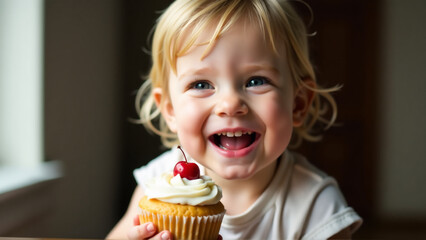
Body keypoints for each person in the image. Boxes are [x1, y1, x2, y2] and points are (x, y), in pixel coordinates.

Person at [107, 0, 362, 239]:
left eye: (256, 81)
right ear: (170, 110)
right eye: (201, 84)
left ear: (297, 104)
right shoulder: (160, 186)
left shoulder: (317, 207)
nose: (230, 104)